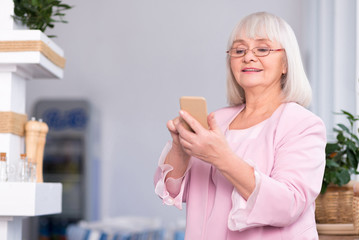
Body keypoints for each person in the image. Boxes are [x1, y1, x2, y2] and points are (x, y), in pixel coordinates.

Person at [154, 12, 326, 240]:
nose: (248, 57)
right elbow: (173, 191)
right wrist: (179, 146)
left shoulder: (303, 125)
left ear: (286, 63)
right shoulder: (216, 121)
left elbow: (289, 204)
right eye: (239, 50)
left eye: (262, 49)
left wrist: (221, 157)